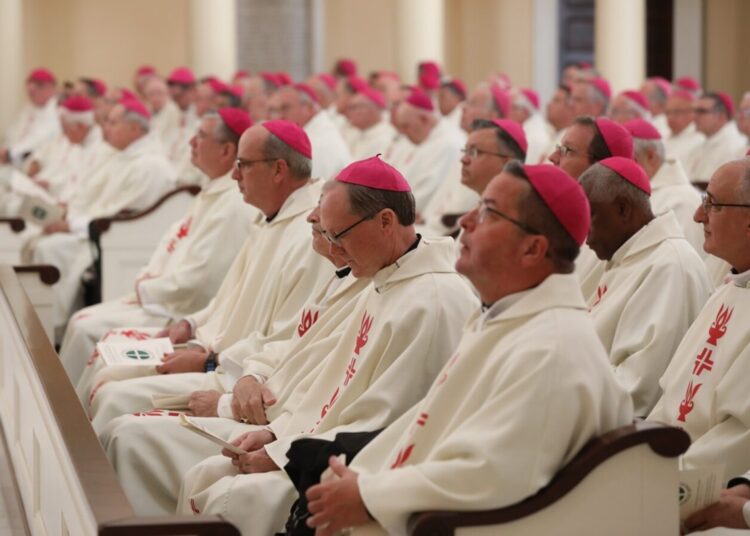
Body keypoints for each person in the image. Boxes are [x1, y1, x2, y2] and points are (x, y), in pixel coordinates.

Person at [302, 162, 634, 536]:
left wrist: (368, 494)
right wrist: (359, 478)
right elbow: (428, 425)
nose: (465, 221)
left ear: (532, 249)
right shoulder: (504, 319)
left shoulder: (552, 349)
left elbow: (492, 474)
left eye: (488, 212)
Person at [166, 156, 478, 534]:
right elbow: (327, 387)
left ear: (385, 221)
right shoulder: (384, 279)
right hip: (310, 444)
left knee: (229, 495)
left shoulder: (433, 301)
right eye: (326, 236)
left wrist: (287, 453)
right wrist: (277, 435)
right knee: (208, 472)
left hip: (355, 474)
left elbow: (385, 426)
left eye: (338, 236)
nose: (332, 251)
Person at [86, 121, 332, 430]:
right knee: (107, 363)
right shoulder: (273, 217)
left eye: (243, 165)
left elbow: (286, 338)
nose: (234, 174)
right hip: (214, 356)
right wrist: (191, 324)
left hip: (237, 378)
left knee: (113, 393)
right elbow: (229, 298)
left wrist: (210, 361)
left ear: (279, 170)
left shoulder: (308, 237)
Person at [61, 109, 256, 387]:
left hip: (177, 309)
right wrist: (148, 278)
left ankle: (66, 415)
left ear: (226, 151)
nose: (191, 142)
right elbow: (172, 240)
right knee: (81, 321)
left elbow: (203, 280)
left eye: (200, 136)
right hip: (162, 298)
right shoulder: (214, 189)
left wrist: (148, 288)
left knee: (84, 327)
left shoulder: (233, 204)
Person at [29, 97, 175, 339]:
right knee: (44, 244)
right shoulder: (121, 156)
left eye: (113, 122)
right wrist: (69, 216)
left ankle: (52, 331)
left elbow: (120, 216)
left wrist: (71, 225)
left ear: (135, 129)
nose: (105, 128)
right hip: (94, 232)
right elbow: (93, 200)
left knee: (50, 249)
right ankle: (45, 327)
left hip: (118, 241)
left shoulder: (150, 166)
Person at [579, 157, 711, 416]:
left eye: (589, 217)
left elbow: (638, 390)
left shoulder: (668, 266)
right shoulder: (627, 257)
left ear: (623, 209)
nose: (586, 234)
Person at [647, 158, 750, 478]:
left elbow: (739, 437)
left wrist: (661, 479)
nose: (697, 215)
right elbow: (670, 399)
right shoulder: (727, 291)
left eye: (712, 204)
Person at [624, 118, 704, 254]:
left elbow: (678, 257)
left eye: (629, 160)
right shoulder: (633, 188)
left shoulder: (682, 201)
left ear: (651, 156)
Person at [391, 87, 463, 213]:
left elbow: (426, 194)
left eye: (406, 126)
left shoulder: (447, 144)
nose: (403, 133)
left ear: (424, 119)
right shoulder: (423, 139)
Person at [268, 84, 352, 180]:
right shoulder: (314, 131)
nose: (280, 117)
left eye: (285, 108)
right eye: (276, 110)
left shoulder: (319, 140)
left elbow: (311, 186)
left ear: (308, 108)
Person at [2, 69, 60, 167]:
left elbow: (40, 138)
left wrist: (10, 152)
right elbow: (13, 133)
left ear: (51, 88)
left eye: (39, 87)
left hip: (34, 163)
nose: (33, 95)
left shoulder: (55, 111)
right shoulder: (29, 108)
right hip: (13, 159)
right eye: (31, 93)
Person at [688, 92, 747, 185]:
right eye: (694, 111)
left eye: (701, 111)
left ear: (721, 116)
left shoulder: (732, 145)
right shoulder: (706, 141)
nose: (694, 117)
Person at [341, 87, 395, 160]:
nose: (349, 112)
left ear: (374, 108)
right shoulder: (357, 134)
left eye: (355, 107)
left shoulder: (384, 138)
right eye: (350, 108)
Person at [663, 90, 705, 169]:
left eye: (676, 112)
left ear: (692, 113)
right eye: (668, 113)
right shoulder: (665, 137)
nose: (670, 118)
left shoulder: (699, 139)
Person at [509, 88, 552, 164]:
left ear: (526, 110)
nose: (509, 112)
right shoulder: (529, 130)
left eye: (514, 108)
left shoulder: (533, 138)